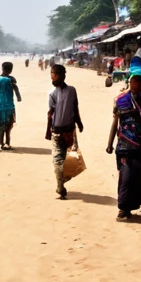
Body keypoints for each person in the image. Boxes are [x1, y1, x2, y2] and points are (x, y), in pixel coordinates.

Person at [106, 72, 141, 220]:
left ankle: (130, 207)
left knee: (140, 178)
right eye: (134, 81)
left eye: (139, 81)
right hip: (124, 146)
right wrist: (109, 143)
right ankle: (123, 209)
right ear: (129, 82)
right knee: (126, 177)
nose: (136, 84)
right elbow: (115, 122)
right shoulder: (121, 100)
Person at [46, 63, 84, 199]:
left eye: (54, 75)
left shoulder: (72, 91)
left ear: (62, 76)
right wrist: (48, 131)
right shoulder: (52, 93)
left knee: (68, 159)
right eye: (51, 75)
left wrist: (79, 123)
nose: (52, 77)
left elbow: (75, 107)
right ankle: (60, 185)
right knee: (58, 160)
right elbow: (50, 114)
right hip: (57, 131)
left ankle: (61, 182)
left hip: (69, 130)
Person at [0, 61, 21, 150]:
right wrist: (18, 97)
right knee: (9, 125)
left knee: (0, 126)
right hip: (9, 106)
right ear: (11, 70)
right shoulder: (12, 80)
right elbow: (17, 91)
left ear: (2, 68)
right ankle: (7, 142)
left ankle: (1, 144)